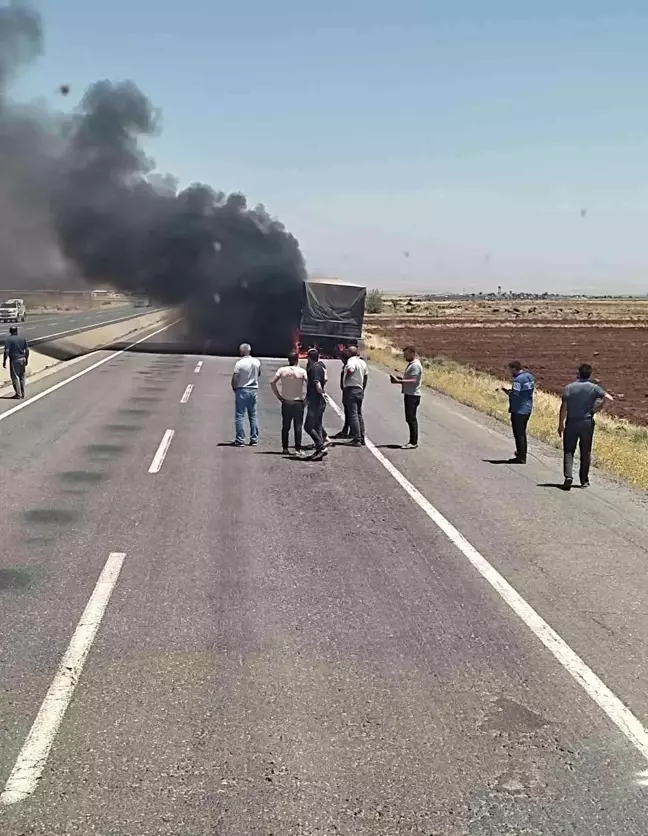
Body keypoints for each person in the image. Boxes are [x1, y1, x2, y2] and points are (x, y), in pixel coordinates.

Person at [558, 363, 613, 490]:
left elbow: (564, 408)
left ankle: (568, 476)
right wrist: (597, 409)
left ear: (578, 373)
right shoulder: (594, 388)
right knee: (585, 451)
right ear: (589, 374)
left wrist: (561, 424)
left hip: (572, 422)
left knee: (569, 450)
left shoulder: (569, 388)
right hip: (587, 422)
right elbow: (609, 399)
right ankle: (584, 480)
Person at [270, 352, 308, 455]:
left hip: (286, 401)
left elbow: (272, 382)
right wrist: (307, 398)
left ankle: (285, 448)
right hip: (298, 401)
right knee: (298, 426)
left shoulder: (282, 370)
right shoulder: (302, 371)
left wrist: (278, 395)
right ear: (297, 360)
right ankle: (298, 448)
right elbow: (309, 384)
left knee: (286, 426)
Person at [501, 361, 535, 463]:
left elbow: (515, 394)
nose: (510, 372)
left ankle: (521, 457)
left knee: (518, 434)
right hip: (527, 408)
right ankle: (522, 453)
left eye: (510, 370)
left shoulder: (518, 380)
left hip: (518, 410)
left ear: (514, 369)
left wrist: (506, 391)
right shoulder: (530, 376)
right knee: (522, 433)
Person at [389, 345, 423, 449]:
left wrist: (399, 381)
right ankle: (412, 441)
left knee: (411, 419)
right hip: (410, 394)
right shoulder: (412, 364)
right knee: (409, 418)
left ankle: (413, 442)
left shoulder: (415, 365)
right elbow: (411, 378)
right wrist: (402, 378)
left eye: (406, 355)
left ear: (412, 353)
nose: (405, 357)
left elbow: (414, 380)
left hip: (413, 395)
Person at [231, 343, 261, 446]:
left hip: (242, 389)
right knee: (253, 415)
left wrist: (234, 388)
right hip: (253, 390)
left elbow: (235, 377)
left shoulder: (239, 363)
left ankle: (240, 439)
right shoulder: (257, 362)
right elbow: (259, 374)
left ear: (242, 352)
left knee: (240, 415)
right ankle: (254, 439)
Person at [304, 347, 328, 460]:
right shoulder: (321, 367)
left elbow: (317, 383)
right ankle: (319, 451)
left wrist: (321, 392)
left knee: (308, 426)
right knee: (318, 425)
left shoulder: (314, 369)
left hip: (316, 401)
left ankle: (321, 446)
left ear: (309, 358)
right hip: (320, 402)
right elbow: (325, 379)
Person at [342, 345, 368, 446]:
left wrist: (346, 380)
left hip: (351, 389)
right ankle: (362, 437)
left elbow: (350, 370)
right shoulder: (362, 362)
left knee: (352, 414)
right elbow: (365, 376)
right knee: (358, 414)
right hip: (359, 389)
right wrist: (363, 388)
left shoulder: (351, 361)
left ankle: (357, 438)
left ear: (350, 353)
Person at [3, 325, 29, 399]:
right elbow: (27, 350)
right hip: (22, 359)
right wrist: (26, 359)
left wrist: (4, 361)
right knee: (22, 376)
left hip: (14, 360)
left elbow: (6, 351)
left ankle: (18, 394)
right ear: (17, 331)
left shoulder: (9, 340)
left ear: (10, 331)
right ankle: (22, 393)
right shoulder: (22, 338)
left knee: (15, 377)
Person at [332, 348, 351, 439]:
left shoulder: (348, 366)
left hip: (348, 391)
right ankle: (346, 430)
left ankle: (350, 431)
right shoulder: (346, 365)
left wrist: (344, 386)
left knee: (350, 412)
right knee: (348, 412)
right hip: (346, 390)